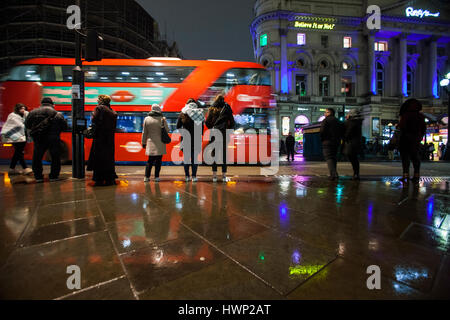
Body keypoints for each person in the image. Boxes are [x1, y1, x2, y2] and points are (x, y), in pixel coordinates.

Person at [24, 97, 67, 182]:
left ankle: (38, 177)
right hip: (53, 138)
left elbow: (27, 125)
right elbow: (64, 127)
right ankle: (53, 176)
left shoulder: (33, 112)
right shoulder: (57, 114)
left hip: (39, 138)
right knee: (55, 158)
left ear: (41, 103)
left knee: (37, 157)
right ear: (52, 104)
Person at [87, 95, 118, 186]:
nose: (97, 101)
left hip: (100, 138)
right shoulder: (112, 111)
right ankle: (109, 178)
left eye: (98, 99)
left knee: (99, 158)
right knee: (108, 159)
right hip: (109, 139)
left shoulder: (99, 108)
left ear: (101, 101)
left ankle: (99, 178)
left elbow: (94, 119)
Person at [205, 95, 235, 182]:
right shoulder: (227, 108)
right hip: (224, 134)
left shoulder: (212, 108)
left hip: (214, 133)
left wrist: (212, 128)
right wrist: (227, 129)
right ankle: (224, 176)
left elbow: (207, 122)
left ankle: (214, 176)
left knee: (214, 154)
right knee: (224, 155)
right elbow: (232, 122)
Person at [398, 98, 426, 183]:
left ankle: (405, 174)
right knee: (415, 157)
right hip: (416, 139)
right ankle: (416, 175)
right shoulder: (420, 116)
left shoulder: (405, 115)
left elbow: (402, 126)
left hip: (406, 139)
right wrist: (420, 136)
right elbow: (423, 128)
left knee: (405, 158)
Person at [176, 99, 205, 182]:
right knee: (194, 159)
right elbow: (202, 129)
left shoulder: (183, 113)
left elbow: (178, 126)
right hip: (196, 139)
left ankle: (187, 176)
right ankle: (194, 177)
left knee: (186, 159)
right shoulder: (199, 113)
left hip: (185, 139)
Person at [1, 103, 33, 175]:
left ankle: (12, 169)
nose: (23, 110)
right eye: (21, 108)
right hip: (15, 137)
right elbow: (19, 125)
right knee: (19, 152)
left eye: (24, 108)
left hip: (21, 137)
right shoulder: (13, 116)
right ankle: (25, 168)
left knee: (18, 152)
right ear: (17, 109)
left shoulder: (23, 115)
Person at [142, 104, 169, 182]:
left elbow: (144, 132)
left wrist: (143, 142)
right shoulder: (162, 119)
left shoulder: (147, 119)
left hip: (150, 142)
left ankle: (146, 177)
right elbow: (167, 130)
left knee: (150, 161)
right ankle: (156, 177)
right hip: (160, 143)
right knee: (158, 161)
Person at [320, 108, 342, 181]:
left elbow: (322, 131)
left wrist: (322, 139)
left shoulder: (326, 120)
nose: (325, 114)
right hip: (336, 142)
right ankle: (333, 173)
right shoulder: (337, 120)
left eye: (326, 112)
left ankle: (334, 174)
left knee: (329, 158)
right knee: (334, 158)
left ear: (330, 113)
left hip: (327, 142)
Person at [343, 109, 362, 180]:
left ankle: (356, 174)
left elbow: (348, 132)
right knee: (354, 159)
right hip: (355, 143)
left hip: (351, 143)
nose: (346, 115)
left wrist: (344, 137)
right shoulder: (357, 122)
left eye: (348, 114)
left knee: (353, 158)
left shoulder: (352, 122)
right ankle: (356, 174)